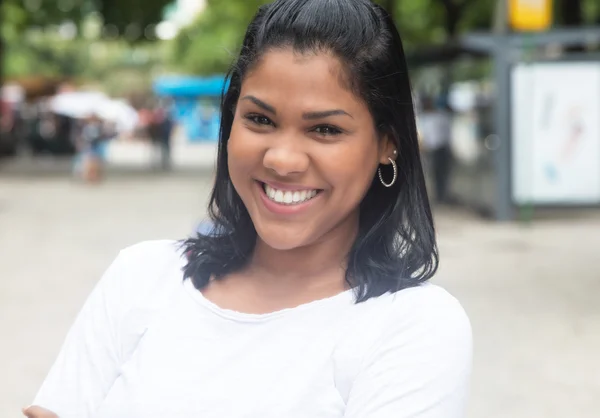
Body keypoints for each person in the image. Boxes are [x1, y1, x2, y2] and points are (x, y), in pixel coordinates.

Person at [24, 1, 472, 417]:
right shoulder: (140, 276)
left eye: (325, 129)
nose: (281, 159)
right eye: (260, 120)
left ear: (388, 143)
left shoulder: (413, 328)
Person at [418, 95, 454, 204]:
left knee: (441, 172)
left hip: (441, 148)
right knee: (434, 172)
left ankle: (442, 194)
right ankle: (438, 194)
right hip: (431, 149)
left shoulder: (440, 116)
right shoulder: (425, 118)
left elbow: (447, 133)